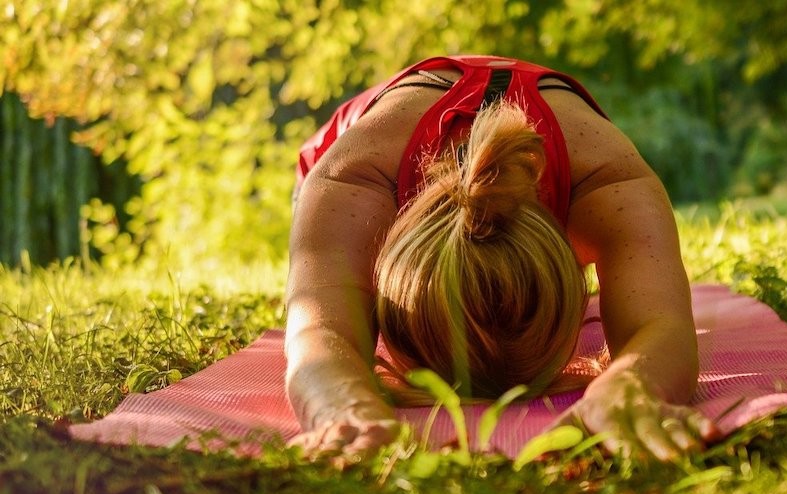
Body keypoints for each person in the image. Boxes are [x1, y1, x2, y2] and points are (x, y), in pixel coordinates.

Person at [285, 55, 717, 462]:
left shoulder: (608, 180)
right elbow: (317, 330)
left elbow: (662, 326)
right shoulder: (353, 177)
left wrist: (632, 386)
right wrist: (341, 404)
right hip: (364, 140)